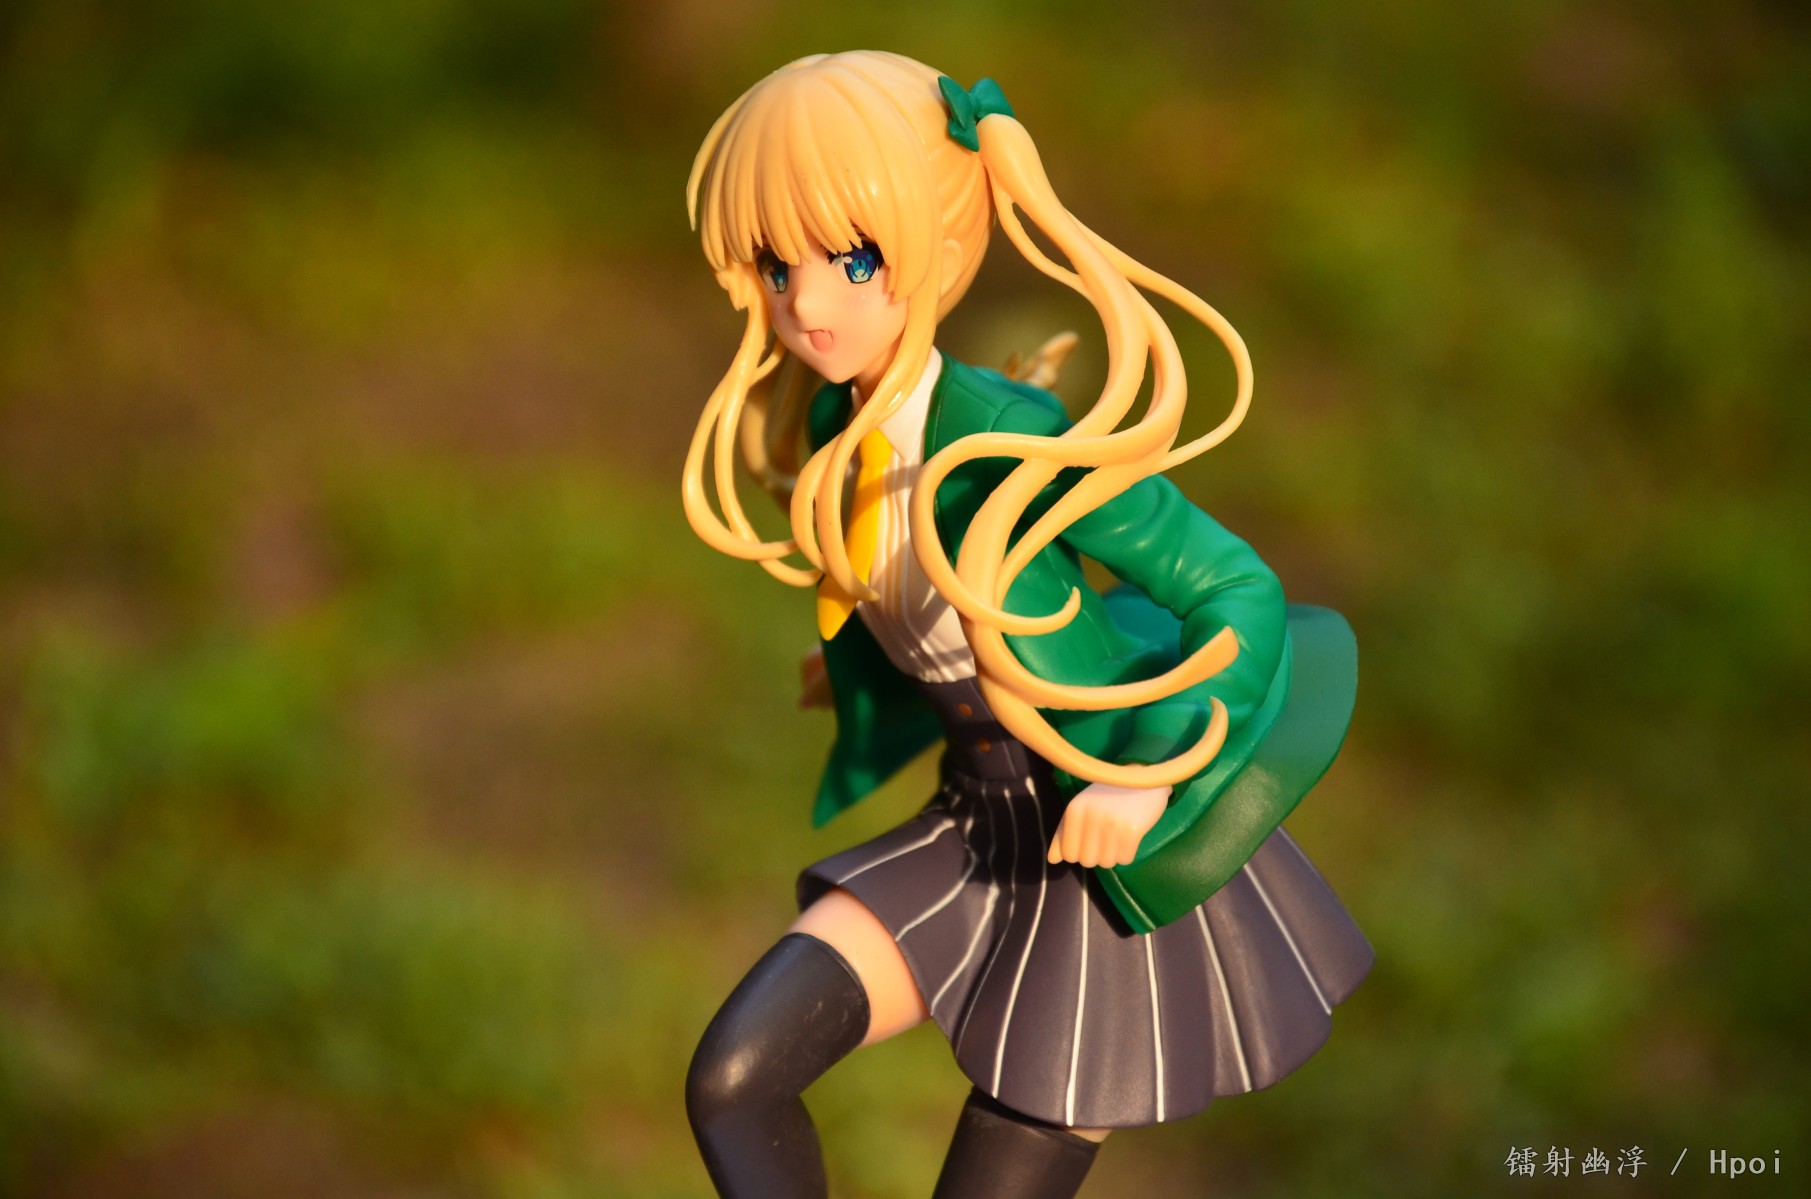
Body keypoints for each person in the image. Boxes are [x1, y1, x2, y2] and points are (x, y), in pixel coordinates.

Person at [678, 50, 1371, 1199]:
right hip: (972, 823)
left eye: (853, 260)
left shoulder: (1010, 436)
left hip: (1091, 852)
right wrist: (864, 662)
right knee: (735, 1079)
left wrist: (1144, 776)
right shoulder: (834, 424)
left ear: (939, 243)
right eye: (775, 264)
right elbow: (918, 592)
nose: (806, 302)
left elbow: (1235, 589)